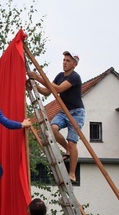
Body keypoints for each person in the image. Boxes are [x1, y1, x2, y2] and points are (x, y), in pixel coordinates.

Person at [28, 51, 85, 182]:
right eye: (64, 60)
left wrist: (39, 78)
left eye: (68, 61)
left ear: (74, 64)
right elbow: (48, 91)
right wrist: (36, 86)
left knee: (72, 142)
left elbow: (58, 89)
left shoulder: (75, 77)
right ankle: (67, 150)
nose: (64, 62)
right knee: (53, 128)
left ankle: (72, 173)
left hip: (76, 113)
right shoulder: (60, 76)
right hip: (64, 111)